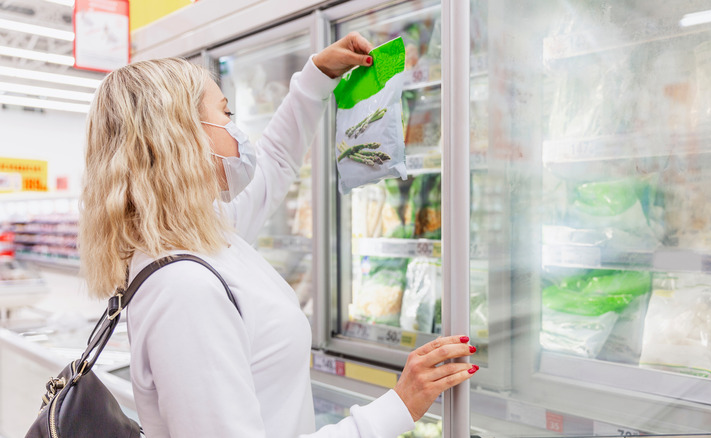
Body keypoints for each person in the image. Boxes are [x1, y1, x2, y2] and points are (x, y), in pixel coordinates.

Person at [79, 32, 478, 437]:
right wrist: (398, 407)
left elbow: (276, 160)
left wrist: (317, 77)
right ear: (184, 137)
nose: (237, 131)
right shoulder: (183, 290)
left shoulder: (203, 236)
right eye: (226, 114)